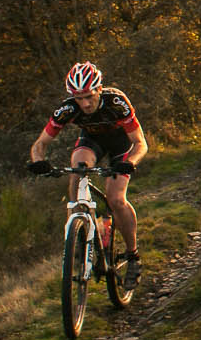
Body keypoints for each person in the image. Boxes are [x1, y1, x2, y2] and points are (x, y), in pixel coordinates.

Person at [28, 61, 149, 283]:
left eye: (89, 96)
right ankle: (77, 232)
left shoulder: (116, 102)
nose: (84, 104)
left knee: (116, 199)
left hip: (121, 147)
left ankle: (133, 256)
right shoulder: (68, 108)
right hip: (92, 142)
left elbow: (140, 143)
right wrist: (38, 162)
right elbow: (40, 144)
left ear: (99, 89)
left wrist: (130, 162)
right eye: (78, 98)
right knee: (78, 169)